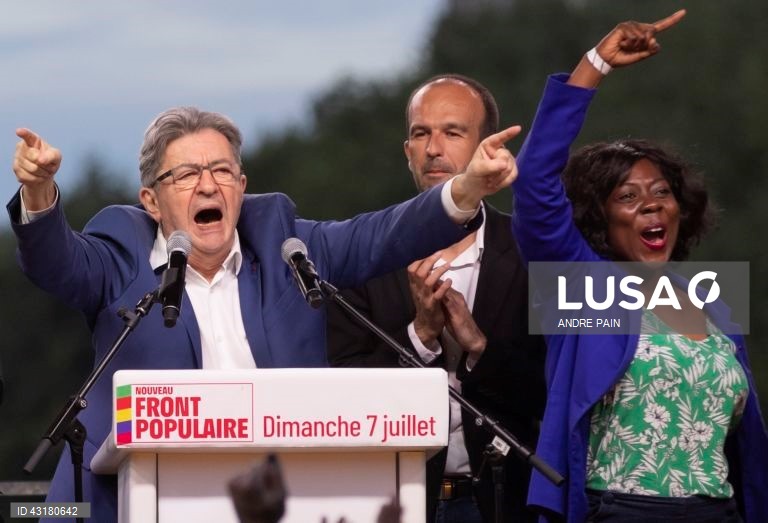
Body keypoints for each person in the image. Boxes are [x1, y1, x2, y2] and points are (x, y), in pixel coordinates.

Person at [7, 106, 521, 522]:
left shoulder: (286, 246)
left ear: (242, 184)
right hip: (126, 499)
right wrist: (38, 192)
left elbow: (382, 234)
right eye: (186, 174)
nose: (209, 186)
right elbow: (58, 264)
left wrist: (468, 187)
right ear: (152, 202)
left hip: (280, 498)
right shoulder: (120, 254)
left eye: (223, 171)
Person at [512, 9, 768, 522]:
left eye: (662, 193)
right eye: (628, 197)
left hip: (719, 511)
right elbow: (535, 186)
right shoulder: (587, 289)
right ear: (599, 220)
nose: (652, 205)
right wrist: (594, 66)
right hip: (623, 511)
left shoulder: (711, 303)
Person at [327, 74, 546, 522]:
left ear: (486, 146)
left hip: (505, 502)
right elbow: (338, 392)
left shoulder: (531, 252)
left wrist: (480, 349)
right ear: (406, 151)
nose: (433, 148)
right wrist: (421, 337)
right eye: (420, 133)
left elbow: (554, 388)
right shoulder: (361, 253)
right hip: (393, 502)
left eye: (452, 132)